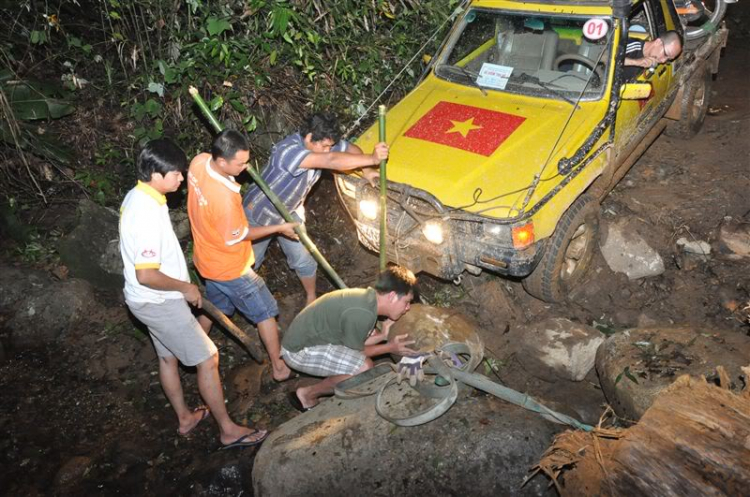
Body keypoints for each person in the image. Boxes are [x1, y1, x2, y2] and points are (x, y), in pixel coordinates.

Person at [119, 138, 267, 449]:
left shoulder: (138, 197)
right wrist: (184, 287)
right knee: (208, 357)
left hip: (142, 301)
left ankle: (185, 418)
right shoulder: (144, 213)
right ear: (157, 175)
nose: (182, 179)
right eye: (176, 174)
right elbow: (146, 273)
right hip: (159, 302)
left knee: (168, 358)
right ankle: (228, 430)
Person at [243, 112, 389, 306]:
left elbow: (350, 148)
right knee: (249, 262)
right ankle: (248, 299)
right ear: (309, 137)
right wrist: (371, 158)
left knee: (303, 258)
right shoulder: (288, 152)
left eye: (330, 146)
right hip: (259, 214)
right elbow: (331, 161)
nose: (328, 150)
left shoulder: (322, 142)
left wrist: (367, 170)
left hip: (289, 213)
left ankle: (311, 298)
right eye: (325, 146)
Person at [186, 129, 298, 382]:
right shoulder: (224, 199)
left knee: (215, 308)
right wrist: (279, 227)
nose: (246, 168)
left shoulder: (199, 162)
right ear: (223, 161)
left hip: (206, 260)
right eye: (241, 163)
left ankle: (193, 348)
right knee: (266, 312)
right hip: (230, 268)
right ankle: (279, 367)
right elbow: (238, 235)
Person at [282, 265, 419, 410]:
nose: (408, 308)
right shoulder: (362, 313)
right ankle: (306, 395)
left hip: (313, 341)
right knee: (362, 368)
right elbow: (358, 353)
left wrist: (383, 335)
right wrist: (390, 347)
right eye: (406, 302)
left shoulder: (367, 301)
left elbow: (356, 343)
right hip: (299, 351)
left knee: (360, 362)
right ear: (392, 296)